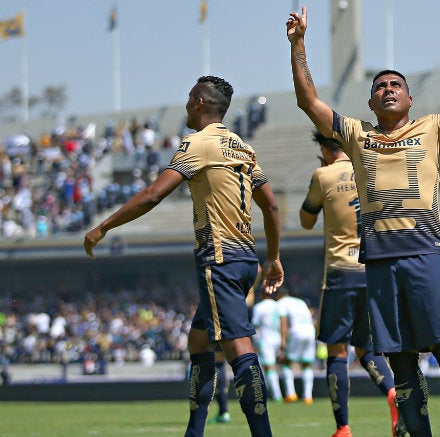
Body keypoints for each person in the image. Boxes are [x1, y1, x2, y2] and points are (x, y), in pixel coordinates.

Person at [286, 6, 440, 437]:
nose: (388, 89)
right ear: (371, 102)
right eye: (380, 87)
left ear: (410, 99)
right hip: (379, 263)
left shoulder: (434, 128)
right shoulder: (356, 135)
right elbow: (308, 102)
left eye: (396, 85)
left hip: (425, 256)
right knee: (402, 360)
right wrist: (299, 45)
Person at [83, 75, 284, 437]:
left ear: (200, 104)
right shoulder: (242, 146)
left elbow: (152, 194)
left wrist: (104, 226)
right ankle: (194, 431)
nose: (187, 105)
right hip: (245, 259)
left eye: (190, 98)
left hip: (218, 256)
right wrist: (273, 257)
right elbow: (270, 205)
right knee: (198, 340)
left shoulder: (198, 144)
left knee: (238, 345)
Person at [300, 130, 406, 437]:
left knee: (337, 352)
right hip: (373, 270)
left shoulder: (323, 175)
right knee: (367, 348)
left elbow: (306, 221)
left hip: (341, 271)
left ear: (324, 149)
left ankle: (343, 428)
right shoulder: (370, 171)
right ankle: (390, 392)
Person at [275, 288, 316, 405]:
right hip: (310, 331)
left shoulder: (281, 303)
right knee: (307, 364)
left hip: (297, 331)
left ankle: (290, 394)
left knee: (286, 362)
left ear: (279, 295)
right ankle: (308, 397)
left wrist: (283, 340)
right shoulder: (300, 301)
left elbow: (283, 321)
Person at [252, 290, 285, 403]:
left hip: (265, 339)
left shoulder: (259, 307)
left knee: (269, 367)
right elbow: (283, 322)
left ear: (262, 294)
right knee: (267, 366)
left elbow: (255, 324)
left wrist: (254, 342)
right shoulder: (278, 305)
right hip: (277, 338)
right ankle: (263, 393)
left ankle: (277, 395)